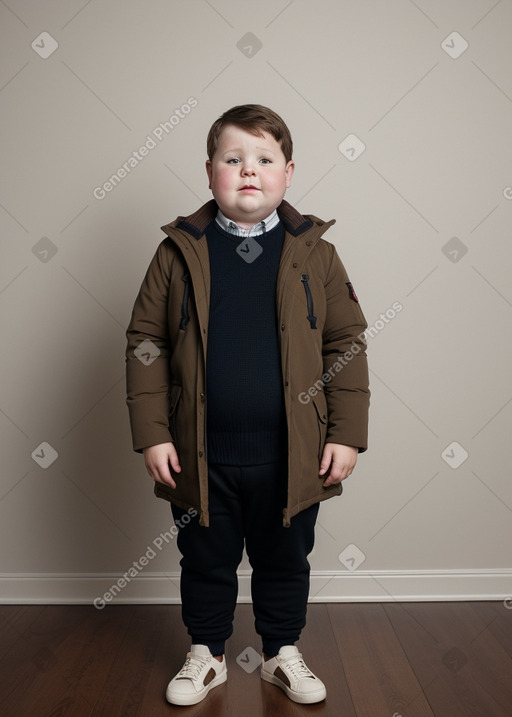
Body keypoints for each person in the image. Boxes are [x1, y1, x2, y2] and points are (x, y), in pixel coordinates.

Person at [125, 104, 370, 706]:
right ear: (210, 172)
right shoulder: (179, 252)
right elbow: (146, 342)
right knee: (204, 558)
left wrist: (347, 433)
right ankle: (205, 655)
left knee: (285, 557)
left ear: (289, 172)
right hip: (199, 453)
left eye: (263, 160)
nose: (248, 171)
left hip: (293, 454)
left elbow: (345, 342)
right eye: (233, 160)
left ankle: (281, 652)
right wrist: (153, 433)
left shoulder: (316, 253)